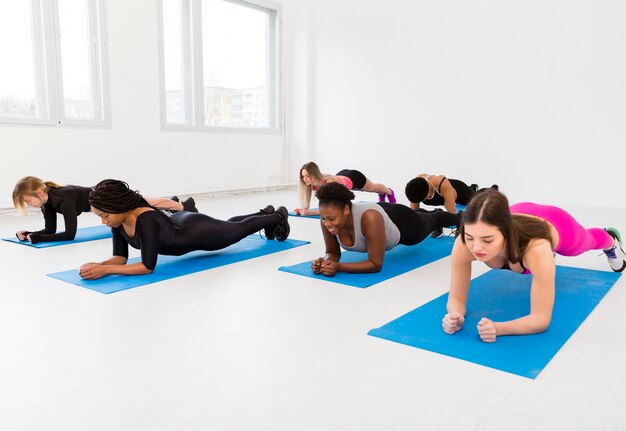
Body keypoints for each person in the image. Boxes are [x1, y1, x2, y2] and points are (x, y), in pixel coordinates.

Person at [442, 189, 626, 343]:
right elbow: (456, 297)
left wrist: (499, 328)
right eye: (470, 237)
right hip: (519, 211)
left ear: (505, 232)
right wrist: (454, 314)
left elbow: (541, 319)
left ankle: (610, 239)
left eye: (487, 240)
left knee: (585, 243)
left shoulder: (536, 248)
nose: (477, 248)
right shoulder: (464, 244)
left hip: (556, 222)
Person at [79, 179, 290, 279]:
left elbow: (146, 267)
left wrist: (105, 270)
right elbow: (120, 258)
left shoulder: (146, 220)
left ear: (120, 207)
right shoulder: (117, 221)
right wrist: (98, 265)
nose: (103, 221)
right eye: (100, 217)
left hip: (196, 231)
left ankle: (278, 216)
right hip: (181, 222)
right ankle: (264, 213)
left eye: (105, 216)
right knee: (229, 225)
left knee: (237, 231)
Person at [310, 182, 460, 276]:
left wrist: (338, 267)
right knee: (424, 215)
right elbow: (332, 252)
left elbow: (375, 264)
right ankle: (431, 214)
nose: (327, 223)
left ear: (346, 210)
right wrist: (325, 263)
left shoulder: (370, 218)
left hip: (404, 223)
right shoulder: (326, 221)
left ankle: (461, 217)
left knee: (433, 220)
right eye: (323, 218)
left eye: (331, 219)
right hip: (383, 213)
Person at [12, 176, 198, 244]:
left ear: (38, 192)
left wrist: (38, 238)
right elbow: (50, 230)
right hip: (100, 198)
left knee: (144, 203)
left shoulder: (63, 199)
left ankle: (185, 206)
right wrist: (31, 234)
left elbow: (70, 234)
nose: (29, 205)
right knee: (147, 202)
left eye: (28, 201)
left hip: (107, 196)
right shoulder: (47, 202)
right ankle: (172, 202)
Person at [294, 162, 396, 216]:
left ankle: (389, 192)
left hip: (353, 178)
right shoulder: (310, 183)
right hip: (341, 176)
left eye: (307, 175)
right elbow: (306, 206)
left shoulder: (329, 183)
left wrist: (309, 213)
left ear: (314, 174)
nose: (305, 179)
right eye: (303, 176)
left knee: (373, 188)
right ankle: (383, 194)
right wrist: (303, 209)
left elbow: (332, 209)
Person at [405, 173, 498, 214]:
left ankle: (491, 190)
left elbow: (452, 215)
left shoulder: (441, 185)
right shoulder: (416, 188)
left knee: (475, 199)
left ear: (427, 194)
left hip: (460, 191)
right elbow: (414, 213)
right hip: (449, 190)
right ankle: (471, 187)